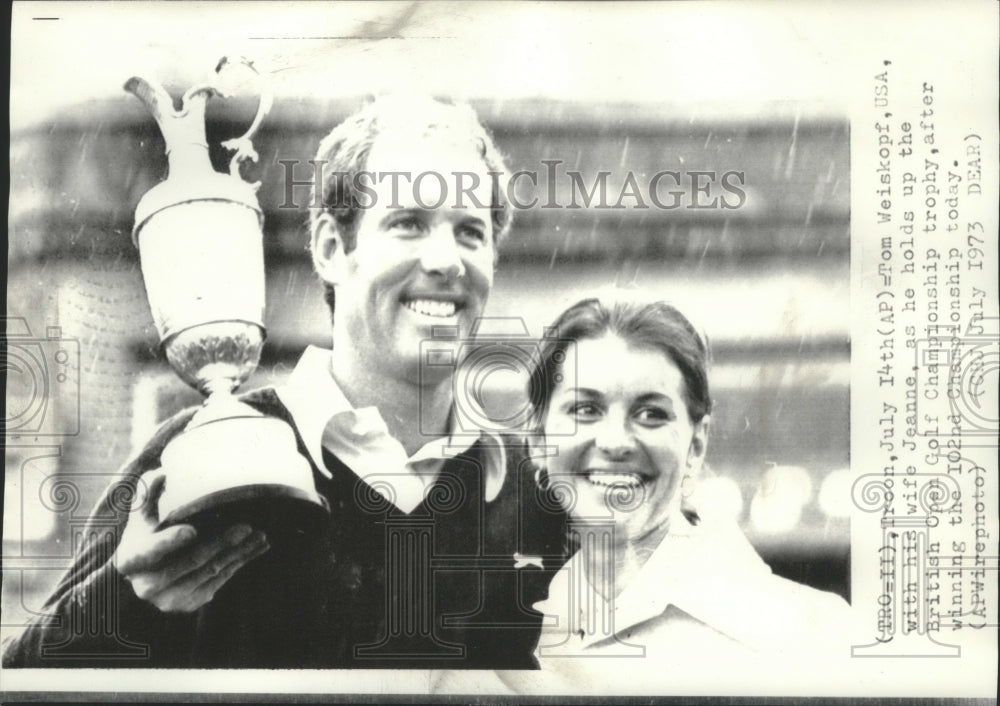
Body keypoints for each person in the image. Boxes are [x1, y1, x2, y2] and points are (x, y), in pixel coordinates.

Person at [2, 95, 565, 669]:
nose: (447, 260)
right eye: (408, 224)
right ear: (330, 249)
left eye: (470, 232)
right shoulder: (195, 454)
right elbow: (19, 679)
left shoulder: (539, 491)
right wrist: (127, 600)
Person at [492, 297, 852, 693]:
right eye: (584, 409)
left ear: (696, 444)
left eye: (651, 414)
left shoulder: (814, 634)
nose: (615, 442)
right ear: (538, 442)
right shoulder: (498, 645)